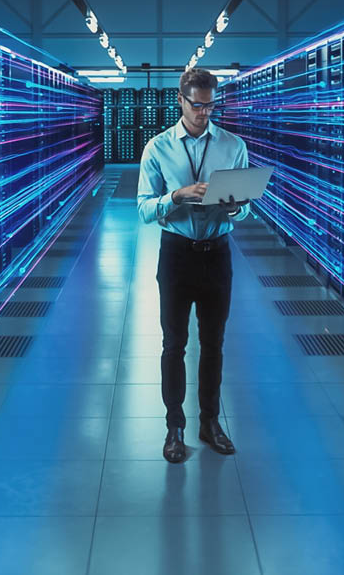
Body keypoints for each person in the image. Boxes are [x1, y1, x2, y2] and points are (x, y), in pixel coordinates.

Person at [137, 67, 250, 463]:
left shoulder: (233, 145)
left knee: (214, 345)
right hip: (177, 254)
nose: (204, 113)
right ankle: (175, 427)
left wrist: (236, 207)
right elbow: (144, 210)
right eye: (197, 105)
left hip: (217, 254)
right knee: (174, 345)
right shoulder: (158, 148)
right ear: (181, 101)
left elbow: (245, 209)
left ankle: (210, 422)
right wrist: (177, 196)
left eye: (210, 105)